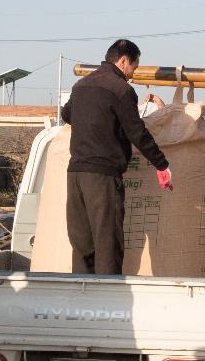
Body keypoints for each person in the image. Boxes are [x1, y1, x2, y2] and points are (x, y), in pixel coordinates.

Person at [61, 38, 173, 274]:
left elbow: (67, 114)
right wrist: (161, 164)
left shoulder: (81, 86)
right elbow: (137, 132)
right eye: (134, 67)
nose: (133, 74)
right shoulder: (121, 89)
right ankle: (106, 304)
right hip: (102, 177)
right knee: (107, 244)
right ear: (123, 61)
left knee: (82, 245)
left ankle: (82, 304)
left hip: (75, 175)